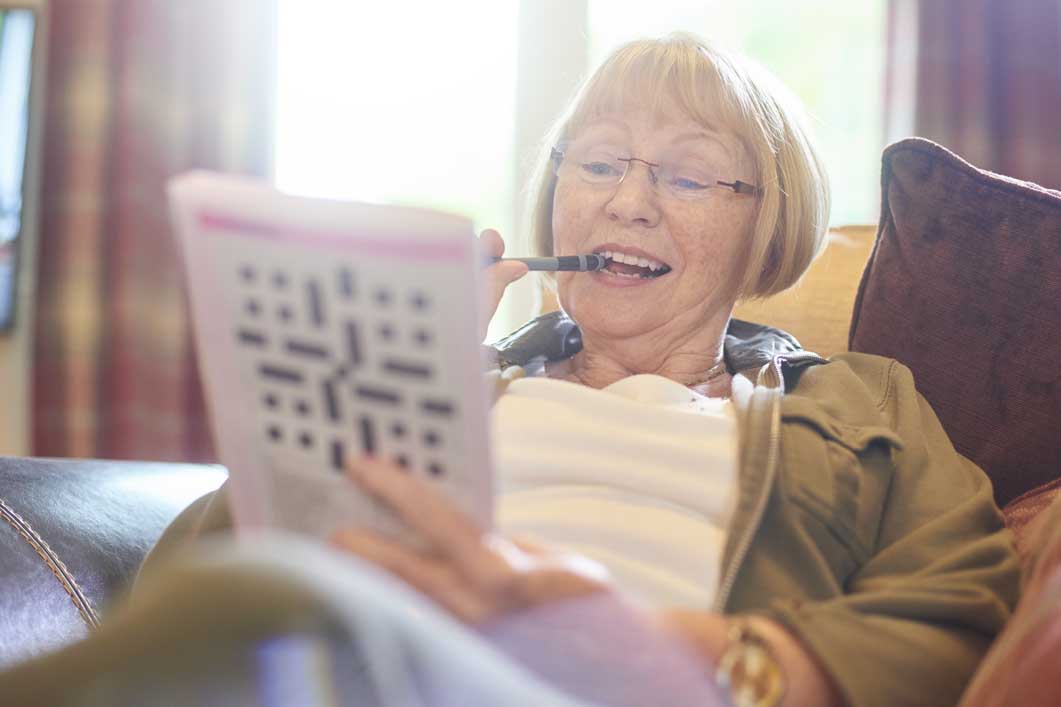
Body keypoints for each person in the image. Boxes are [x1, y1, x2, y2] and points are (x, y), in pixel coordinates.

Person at [4, 33, 1017, 707]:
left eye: (686, 173)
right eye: (598, 160)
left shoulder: (859, 401)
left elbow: (957, 614)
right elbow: (193, 579)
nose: (626, 200)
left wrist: (675, 649)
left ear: (766, 226)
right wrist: (387, 390)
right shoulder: (464, 381)